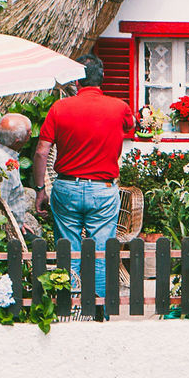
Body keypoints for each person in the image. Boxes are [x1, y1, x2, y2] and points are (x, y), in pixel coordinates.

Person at [32, 54, 134, 307]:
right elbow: (132, 126)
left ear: (76, 82)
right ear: (103, 79)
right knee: (101, 252)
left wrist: (40, 190)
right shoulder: (120, 107)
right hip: (103, 189)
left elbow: (41, 151)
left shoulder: (59, 109)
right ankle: (100, 310)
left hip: (67, 186)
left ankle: (71, 307)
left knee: (69, 249)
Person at [0, 112, 38, 238]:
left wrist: (20, 223)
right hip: (1, 232)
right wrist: (14, 227)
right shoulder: (5, 166)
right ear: (18, 141)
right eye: (29, 132)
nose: (31, 133)